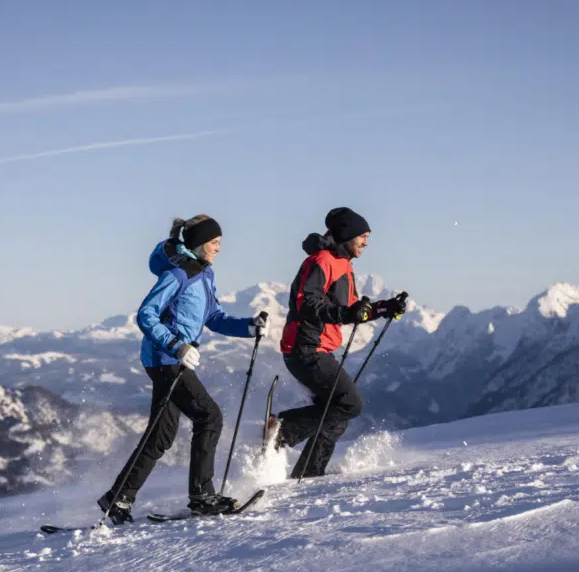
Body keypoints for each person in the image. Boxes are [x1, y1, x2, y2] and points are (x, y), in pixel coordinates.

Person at [98, 214, 269, 524]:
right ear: (199, 243)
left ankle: (119, 497)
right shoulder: (177, 274)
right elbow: (146, 315)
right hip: (166, 360)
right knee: (209, 416)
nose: (219, 248)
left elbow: (214, 317)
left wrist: (249, 327)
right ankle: (202, 496)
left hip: (173, 360)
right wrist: (176, 345)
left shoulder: (204, 274)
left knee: (161, 435)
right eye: (215, 243)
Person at [267, 207, 407, 478]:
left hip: (318, 347)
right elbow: (306, 301)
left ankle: (308, 472)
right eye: (363, 236)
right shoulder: (322, 260)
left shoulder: (342, 264)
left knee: (336, 413)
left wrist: (383, 308)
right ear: (348, 235)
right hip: (305, 347)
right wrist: (344, 314)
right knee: (348, 403)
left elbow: (352, 308)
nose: (366, 242)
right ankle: (281, 431)